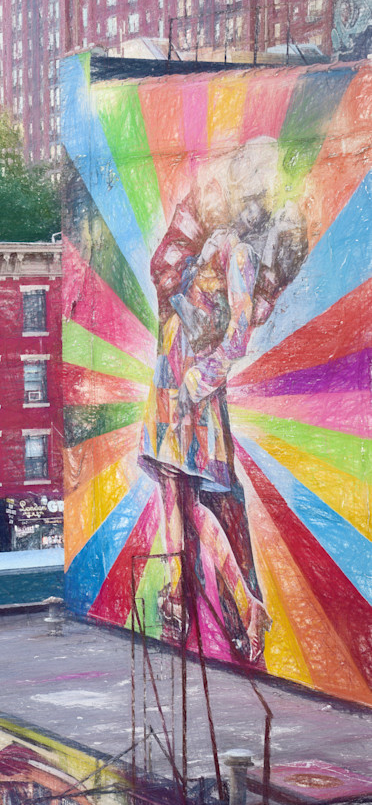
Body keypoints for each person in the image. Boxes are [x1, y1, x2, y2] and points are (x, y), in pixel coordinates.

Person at [139, 137, 307, 662]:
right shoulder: (228, 239)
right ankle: (184, 589)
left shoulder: (241, 254)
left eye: (244, 179)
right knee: (176, 489)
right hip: (176, 362)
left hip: (190, 377)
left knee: (189, 492)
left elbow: (236, 335)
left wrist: (199, 381)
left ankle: (237, 601)